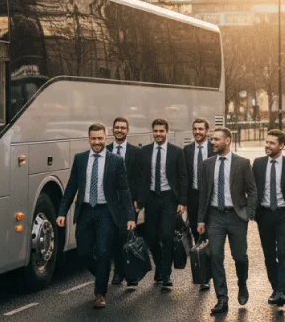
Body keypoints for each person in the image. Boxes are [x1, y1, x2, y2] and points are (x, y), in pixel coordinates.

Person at [57, 123, 136, 309]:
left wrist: (130, 216)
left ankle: (100, 293)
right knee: (83, 252)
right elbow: (71, 187)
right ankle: (103, 272)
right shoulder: (80, 159)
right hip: (85, 211)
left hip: (105, 213)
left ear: (106, 138)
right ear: (89, 139)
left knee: (103, 252)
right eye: (94, 138)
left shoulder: (116, 161)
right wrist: (62, 211)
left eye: (100, 138)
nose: (97, 142)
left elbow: (124, 191)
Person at [197, 127, 257, 315]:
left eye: (216, 140)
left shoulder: (242, 163)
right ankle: (222, 298)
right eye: (211, 140)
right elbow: (203, 194)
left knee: (240, 256)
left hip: (236, 217)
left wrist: (248, 213)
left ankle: (242, 283)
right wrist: (201, 219)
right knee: (216, 256)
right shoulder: (207, 164)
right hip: (215, 217)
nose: (212, 142)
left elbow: (252, 190)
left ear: (228, 141)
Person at [253, 129, 285, 307]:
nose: (267, 146)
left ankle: (282, 291)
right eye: (266, 142)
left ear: (281, 146)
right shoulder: (258, 164)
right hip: (264, 215)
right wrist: (253, 212)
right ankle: (276, 287)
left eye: (272, 143)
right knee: (268, 254)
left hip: (284, 216)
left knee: (282, 253)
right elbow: (252, 190)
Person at [136, 118, 187, 289]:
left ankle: (166, 274)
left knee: (166, 235)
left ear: (167, 132)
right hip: (151, 198)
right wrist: (140, 200)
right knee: (150, 237)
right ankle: (159, 264)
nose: (158, 134)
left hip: (168, 198)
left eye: (161, 131)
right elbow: (141, 178)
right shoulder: (144, 152)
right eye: (155, 131)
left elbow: (182, 178)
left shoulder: (176, 152)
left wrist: (182, 201)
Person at [105, 116, 144, 287]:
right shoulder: (105, 151)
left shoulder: (136, 152)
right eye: (117, 127)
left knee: (127, 239)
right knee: (113, 239)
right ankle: (119, 271)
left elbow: (142, 178)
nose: (120, 130)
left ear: (127, 131)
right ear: (112, 130)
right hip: (110, 204)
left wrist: (139, 202)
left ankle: (131, 274)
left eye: (123, 127)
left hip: (129, 204)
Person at [183, 117, 213, 291]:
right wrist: (183, 202)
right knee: (196, 233)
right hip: (193, 196)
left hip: (210, 197)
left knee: (208, 234)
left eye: (201, 129)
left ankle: (207, 276)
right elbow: (183, 177)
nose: (197, 132)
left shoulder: (213, 149)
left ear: (207, 131)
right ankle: (201, 270)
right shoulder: (186, 150)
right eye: (195, 129)